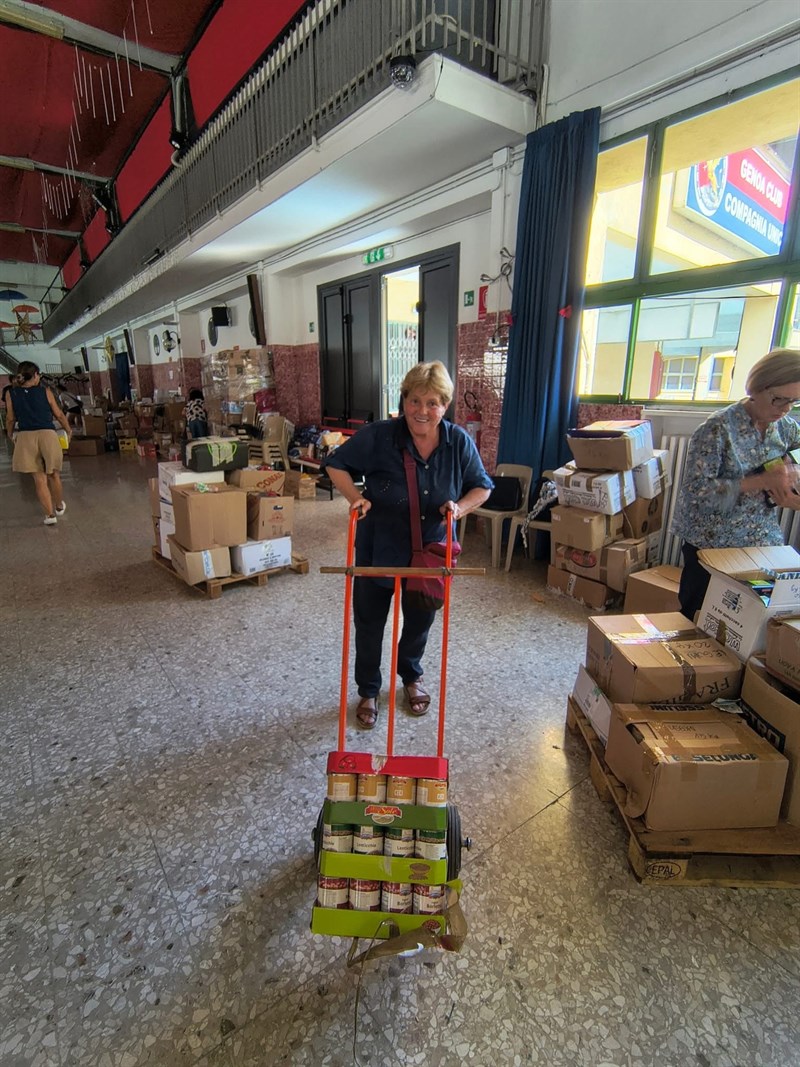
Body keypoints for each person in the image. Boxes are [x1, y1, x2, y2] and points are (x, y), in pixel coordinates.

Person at [323, 361, 493, 729]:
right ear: (404, 401)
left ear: (445, 405)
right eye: (415, 400)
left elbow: (482, 486)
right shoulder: (379, 436)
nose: (422, 411)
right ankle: (368, 690)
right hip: (378, 547)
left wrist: (459, 508)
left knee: (419, 620)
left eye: (433, 403)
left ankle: (411, 677)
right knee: (370, 622)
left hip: (430, 552)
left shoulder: (457, 441)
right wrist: (355, 497)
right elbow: (335, 464)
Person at [671, 347, 800, 619]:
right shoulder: (716, 429)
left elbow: (797, 455)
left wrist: (790, 473)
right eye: (779, 399)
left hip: (761, 537)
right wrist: (761, 480)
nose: (786, 409)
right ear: (757, 387)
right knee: (699, 616)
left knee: (756, 617)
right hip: (712, 541)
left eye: (794, 401)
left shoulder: (786, 428)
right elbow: (697, 493)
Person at [4, 361, 72, 525]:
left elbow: (10, 418)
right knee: (54, 474)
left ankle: (49, 516)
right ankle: (59, 506)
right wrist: (68, 430)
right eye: (38, 375)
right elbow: (59, 414)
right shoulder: (45, 391)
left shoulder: (11, 394)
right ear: (35, 375)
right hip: (47, 435)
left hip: (26, 437)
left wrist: (10, 434)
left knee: (39, 479)